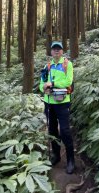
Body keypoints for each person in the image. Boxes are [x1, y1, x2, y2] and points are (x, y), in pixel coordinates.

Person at [39, 41, 75, 174]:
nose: (56, 51)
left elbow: (68, 82)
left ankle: (71, 159)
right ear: (51, 52)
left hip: (63, 103)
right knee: (52, 130)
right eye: (54, 49)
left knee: (65, 131)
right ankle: (56, 155)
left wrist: (52, 83)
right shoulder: (47, 66)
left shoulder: (67, 64)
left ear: (62, 51)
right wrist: (44, 87)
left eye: (58, 49)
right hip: (49, 103)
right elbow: (41, 83)